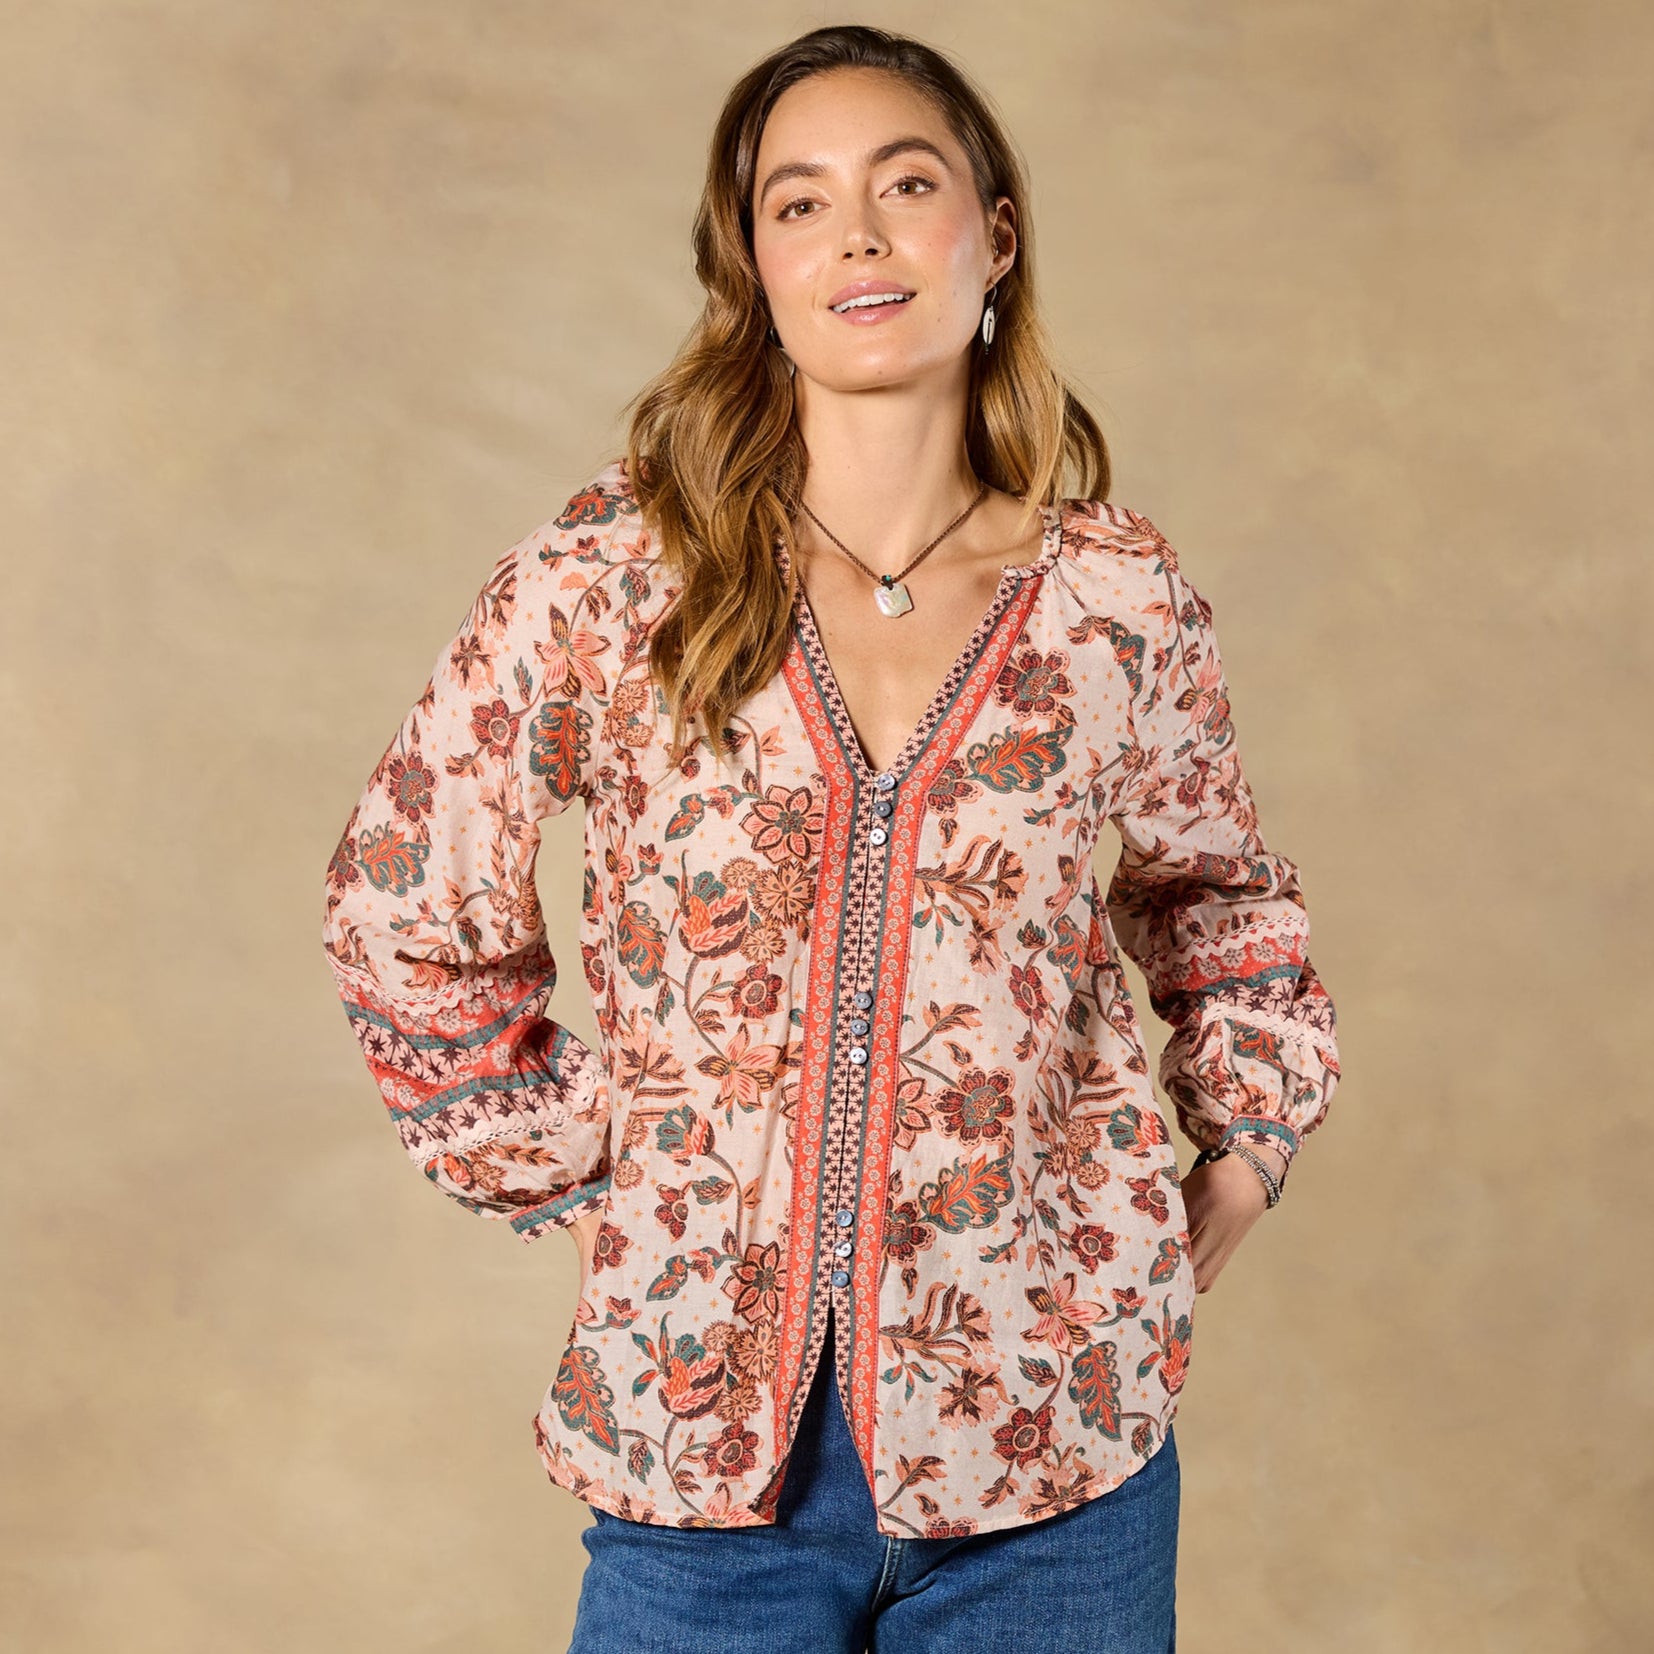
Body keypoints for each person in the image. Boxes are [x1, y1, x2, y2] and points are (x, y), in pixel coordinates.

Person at [320, 24, 1341, 1654]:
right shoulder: (614, 575)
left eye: (904, 185)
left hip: (1052, 1452)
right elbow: (402, 902)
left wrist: (1244, 1146)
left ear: (992, 234)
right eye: (798, 203)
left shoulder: (1111, 598)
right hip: (699, 1479)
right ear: (755, 268)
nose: (856, 235)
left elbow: (1216, 898)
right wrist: (592, 1177)